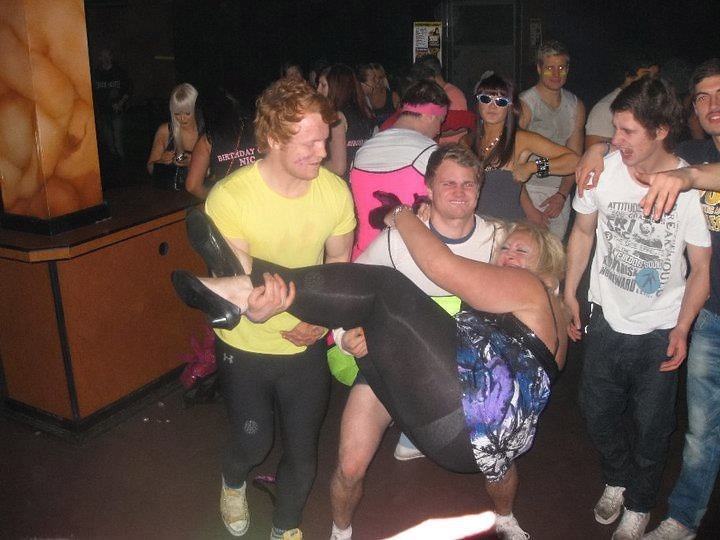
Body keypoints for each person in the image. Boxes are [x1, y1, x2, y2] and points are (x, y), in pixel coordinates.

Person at [172, 203, 568, 540]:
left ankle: (245, 281)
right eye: (505, 249)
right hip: (466, 442)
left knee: (384, 287)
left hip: (460, 413)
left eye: (522, 251)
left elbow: (441, 266)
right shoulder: (540, 314)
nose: (508, 257)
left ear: (547, 267)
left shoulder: (529, 288)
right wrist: (361, 338)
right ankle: (343, 532)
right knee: (351, 457)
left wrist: (401, 214)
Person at [200, 78, 356, 540]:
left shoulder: (335, 192)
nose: (322, 153)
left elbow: (339, 264)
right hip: (246, 344)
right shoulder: (230, 197)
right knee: (253, 441)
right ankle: (233, 481)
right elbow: (241, 283)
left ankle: (285, 526)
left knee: (304, 454)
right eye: (309, 143)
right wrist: (254, 309)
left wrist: (321, 320)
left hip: (305, 343)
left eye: (324, 140)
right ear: (271, 139)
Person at [328, 144, 505, 539]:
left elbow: (537, 284)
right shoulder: (396, 241)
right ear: (428, 187)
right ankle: (340, 531)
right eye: (448, 183)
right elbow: (346, 288)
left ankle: (507, 518)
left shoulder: (498, 241)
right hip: (391, 365)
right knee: (350, 465)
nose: (459, 192)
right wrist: (343, 335)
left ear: (480, 189)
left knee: (501, 455)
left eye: (468, 184)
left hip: (463, 373)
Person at [563, 76, 712, 540]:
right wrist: (569, 292)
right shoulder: (602, 171)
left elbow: (700, 268)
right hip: (606, 316)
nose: (616, 139)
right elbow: (582, 231)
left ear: (661, 130)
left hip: (660, 326)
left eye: (628, 131)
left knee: (653, 427)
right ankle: (617, 478)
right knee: (595, 410)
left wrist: (683, 327)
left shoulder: (689, 185)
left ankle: (641, 503)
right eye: (615, 129)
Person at [625, 59, 720, 540]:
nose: (712, 104)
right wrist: (594, 151)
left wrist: (688, 178)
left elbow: (696, 176)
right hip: (712, 315)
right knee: (702, 431)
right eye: (703, 96)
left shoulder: (694, 167)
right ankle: (683, 518)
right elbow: (644, 143)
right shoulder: (694, 151)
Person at [349, 79, 449, 258]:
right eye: (440, 121)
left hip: (363, 258)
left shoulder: (362, 151)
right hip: (408, 261)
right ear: (431, 116)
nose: (438, 131)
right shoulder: (431, 153)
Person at [465, 72, 579, 224]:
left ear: (510, 106)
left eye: (501, 101)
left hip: (507, 227)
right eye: (486, 99)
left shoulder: (520, 139)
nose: (492, 106)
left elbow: (574, 161)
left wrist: (533, 167)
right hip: (473, 225)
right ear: (478, 103)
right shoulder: (466, 141)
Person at [520, 40, 586, 239]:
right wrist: (528, 208)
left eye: (561, 68)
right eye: (550, 68)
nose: (556, 74)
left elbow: (576, 157)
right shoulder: (525, 104)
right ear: (539, 68)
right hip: (528, 189)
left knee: (555, 254)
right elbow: (513, 163)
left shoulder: (575, 105)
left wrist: (562, 195)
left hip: (558, 194)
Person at [184, 89, 257, 199]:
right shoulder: (257, 129)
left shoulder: (207, 140)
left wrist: (215, 198)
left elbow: (192, 186)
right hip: (260, 197)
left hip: (230, 201)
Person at [585, 52, 659, 148]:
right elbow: (594, 152)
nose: (651, 81)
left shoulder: (654, 104)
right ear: (628, 76)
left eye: (655, 77)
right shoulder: (605, 107)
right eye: (646, 76)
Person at [316, 64, 375, 178]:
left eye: (323, 85)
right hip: (364, 179)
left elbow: (338, 167)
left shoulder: (338, 118)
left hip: (344, 183)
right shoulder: (366, 112)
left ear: (337, 87)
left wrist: (315, 164)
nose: (318, 90)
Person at [146, 83, 202, 176]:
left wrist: (194, 162)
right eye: (177, 114)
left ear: (195, 109)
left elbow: (216, 170)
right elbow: (150, 168)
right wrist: (161, 161)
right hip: (171, 184)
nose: (182, 118)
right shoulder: (165, 131)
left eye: (187, 113)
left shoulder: (205, 131)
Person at [413, 55, 471, 144]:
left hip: (451, 148)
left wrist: (429, 132)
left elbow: (462, 127)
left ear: (430, 77)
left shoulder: (453, 94)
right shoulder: (433, 93)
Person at [92, 48, 131, 160]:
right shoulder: (97, 73)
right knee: (108, 138)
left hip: (117, 110)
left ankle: (122, 159)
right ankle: (114, 160)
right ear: (100, 58)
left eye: (107, 55)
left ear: (111, 57)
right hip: (103, 110)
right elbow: (92, 91)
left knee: (118, 137)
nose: (105, 58)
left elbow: (128, 89)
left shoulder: (119, 72)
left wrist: (120, 103)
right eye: (103, 56)